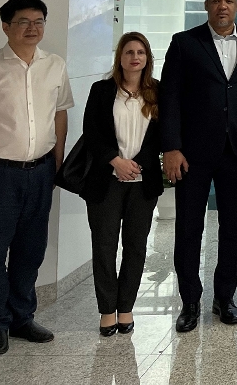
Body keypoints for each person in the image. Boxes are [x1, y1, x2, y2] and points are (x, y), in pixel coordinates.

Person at [0, 0, 72, 356]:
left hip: (41, 172)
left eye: (39, 21)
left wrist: (57, 162)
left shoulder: (55, 65)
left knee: (31, 251)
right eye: (23, 22)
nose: (32, 28)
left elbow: (60, 114)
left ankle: (22, 317)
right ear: (6, 27)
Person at [159, 0, 237, 332]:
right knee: (189, 227)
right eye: (217, 1)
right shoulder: (184, 42)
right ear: (206, 5)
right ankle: (190, 301)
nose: (223, 6)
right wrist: (171, 147)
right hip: (192, 153)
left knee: (232, 227)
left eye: (229, 1)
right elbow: (169, 97)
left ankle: (225, 297)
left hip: (236, 151)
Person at [81, 32, 164, 336]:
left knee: (135, 246)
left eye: (140, 52)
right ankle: (107, 310)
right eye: (129, 52)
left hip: (142, 183)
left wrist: (136, 163)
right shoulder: (102, 90)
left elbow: (160, 135)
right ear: (120, 57)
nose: (135, 57)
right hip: (106, 180)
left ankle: (126, 308)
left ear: (147, 58)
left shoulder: (157, 92)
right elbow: (91, 132)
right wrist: (115, 161)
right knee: (104, 246)